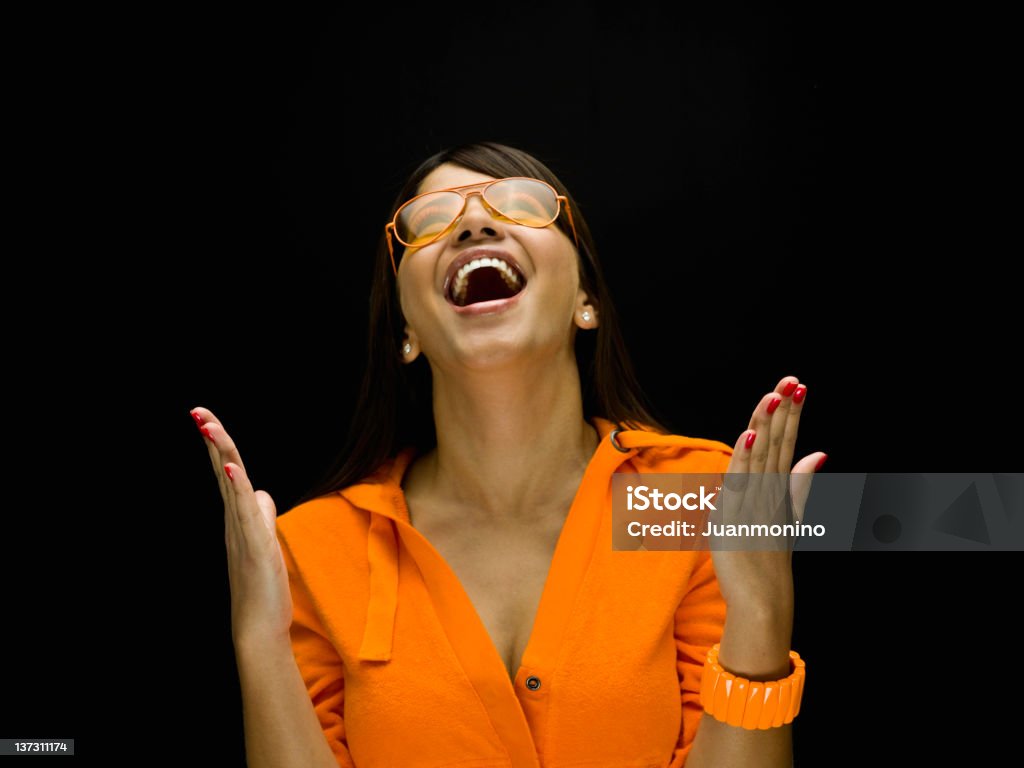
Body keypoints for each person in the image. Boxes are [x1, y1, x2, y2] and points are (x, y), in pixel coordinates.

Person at [192, 141, 826, 767]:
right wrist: (259, 643)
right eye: (431, 219)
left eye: (521, 204)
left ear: (587, 301)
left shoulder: (699, 500)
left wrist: (762, 617)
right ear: (405, 332)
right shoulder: (306, 547)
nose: (473, 222)